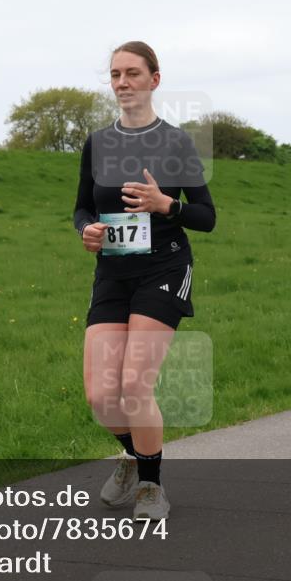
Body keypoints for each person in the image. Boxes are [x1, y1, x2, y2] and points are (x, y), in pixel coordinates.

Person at [73, 41, 216, 521]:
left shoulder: (175, 142)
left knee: (135, 384)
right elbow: (81, 207)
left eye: (132, 73)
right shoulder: (98, 142)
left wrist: (165, 205)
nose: (122, 83)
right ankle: (135, 458)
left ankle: (152, 487)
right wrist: (87, 231)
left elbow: (206, 216)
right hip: (113, 272)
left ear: (155, 79)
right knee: (100, 395)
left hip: (164, 268)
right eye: (115, 74)